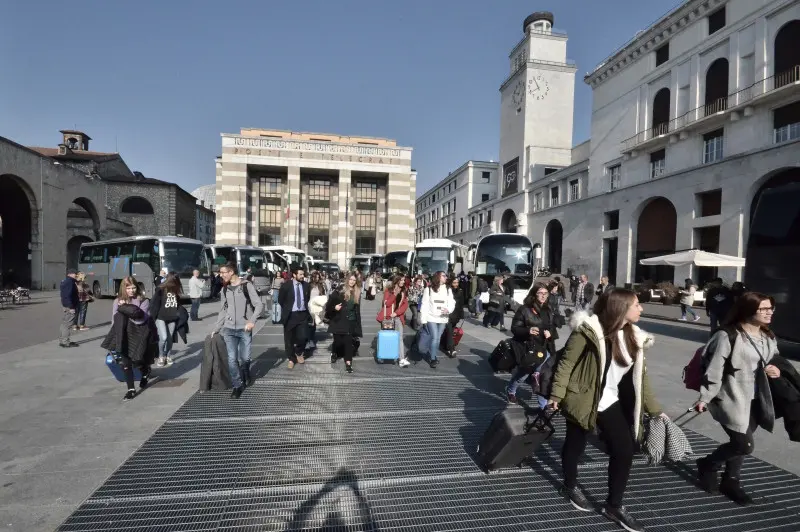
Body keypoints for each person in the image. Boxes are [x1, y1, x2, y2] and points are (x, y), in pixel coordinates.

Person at [548, 288, 665, 532]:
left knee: (624, 451)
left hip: (610, 400)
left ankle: (614, 505)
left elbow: (641, 380)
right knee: (575, 444)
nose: (641, 309)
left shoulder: (634, 336)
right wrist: (557, 395)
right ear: (620, 308)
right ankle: (570, 485)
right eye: (636, 305)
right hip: (583, 397)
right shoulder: (589, 330)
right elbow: (567, 363)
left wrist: (655, 410)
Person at [694, 292, 781, 506]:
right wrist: (705, 397)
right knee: (744, 444)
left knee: (741, 440)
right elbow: (713, 368)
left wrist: (774, 369)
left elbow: (774, 358)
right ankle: (708, 463)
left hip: (756, 398)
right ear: (748, 309)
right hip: (731, 397)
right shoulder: (728, 335)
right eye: (763, 308)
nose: (769, 312)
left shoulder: (768, 335)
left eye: (771, 308)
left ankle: (731, 480)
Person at [212, 262, 263, 398]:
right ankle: (237, 385)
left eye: (223, 273)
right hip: (229, 329)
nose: (221, 275)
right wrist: (217, 328)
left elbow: (259, 305)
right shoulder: (225, 289)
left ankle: (245, 371)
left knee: (245, 358)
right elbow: (223, 310)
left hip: (244, 328)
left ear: (231, 272)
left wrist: (252, 321)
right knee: (232, 359)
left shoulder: (246, 286)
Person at [103, 277, 156, 401]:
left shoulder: (143, 300)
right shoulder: (117, 301)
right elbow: (114, 319)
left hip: (139, 334)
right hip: (123, 334)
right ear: (124, 288)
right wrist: (115, 337)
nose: (131, 290)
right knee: (125, 364)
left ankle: (145, 371)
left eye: (133, 288)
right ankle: (131, 389)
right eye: (128, 288)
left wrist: (126, 308)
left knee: (137, 361)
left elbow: (141, 319)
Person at [507, 283, 557, 407]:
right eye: (540, 293)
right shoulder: (525, 309)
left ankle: (543, 407)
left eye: (546, 293)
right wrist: (527, 331)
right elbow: (514, 328)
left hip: (544, 348)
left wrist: (549, 334)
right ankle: (511, 390)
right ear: (534, 294)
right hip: (529, 348)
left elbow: (552, 329)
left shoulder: (549, 309)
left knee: (541, 378)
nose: (543, 296)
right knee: (522, 375)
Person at [418, 271, 455, 368]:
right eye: (443, 275)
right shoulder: (428, 289)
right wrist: (423, 320)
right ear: (438, 277)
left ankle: (432, 353)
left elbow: (452, 302)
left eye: (445, 276)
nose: (445, 277)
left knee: (437, 339)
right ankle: (433, 358)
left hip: (443, 318)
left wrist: (448, 309)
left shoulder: (448, 289)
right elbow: (424, 304)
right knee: (434, 338)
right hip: (431, 317)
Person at [327, 273, 363, 373]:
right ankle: (334, 352)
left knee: (348, 343)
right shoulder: (339, 290)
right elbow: (329, 305)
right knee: (338, 342)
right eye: (350, 279)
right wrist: (334, 308)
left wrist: (357, 323)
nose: (352, 282)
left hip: (350, 321)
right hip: (338, 320)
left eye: (354, 280)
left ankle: (348, 363)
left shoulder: (357, 292)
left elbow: (357, 310)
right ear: (347, 280)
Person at [278, 264, 311, 369]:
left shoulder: (306, 285)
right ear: (294, 274)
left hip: (302, 314)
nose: (302, 276)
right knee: (289, 339)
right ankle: (291, 359)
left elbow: (307, 298)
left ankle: (299, 352)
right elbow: (281, 300)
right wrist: (288, 309)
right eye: (300, 274)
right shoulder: (286, 285)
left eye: (303, 274)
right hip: (290, 315)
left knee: (303, 337)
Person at [150, 272, 183, 367]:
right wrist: (152, 318)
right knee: (163, 338)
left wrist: (180, 314)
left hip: (172, 318)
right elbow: (154, 304)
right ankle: (161, 356)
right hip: (161, 317)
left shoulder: (176, 290)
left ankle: (168, 356)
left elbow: (178, 304)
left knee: (169, 339)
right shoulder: (160, 289)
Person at [380, 276, 410, 367]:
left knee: (400, 337)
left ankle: (401, 359)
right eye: (401, 280)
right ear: (396, 280)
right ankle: (383, 355)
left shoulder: (404, 291)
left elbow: (405, 305)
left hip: (398, 317)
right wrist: (395, 294)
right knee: (387, 337)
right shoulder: (389, 290)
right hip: (388, 318)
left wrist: (396, 313)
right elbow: (387, 303)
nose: (403, 282)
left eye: (404, 280)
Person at [443, 275, 465, 358]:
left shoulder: (460, 291)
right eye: (454, 282)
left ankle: (446, 345)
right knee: (449, 332)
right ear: (451, 283)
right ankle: (451, 349)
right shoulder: (447, 291)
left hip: (456, 315)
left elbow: (461, 304)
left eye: (457, 282)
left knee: (450, 331)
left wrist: (462, 315)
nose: (456, 284)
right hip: (448, 314)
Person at [59, 269, 79, 348]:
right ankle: (65, 342)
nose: (76, 275)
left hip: (65, 305)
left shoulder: (65, 281)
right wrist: (71, 307)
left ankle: (62, 340)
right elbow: (68, 295)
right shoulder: (70, 282)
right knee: (67, 324)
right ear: (70, 274)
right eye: (75, 274)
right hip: (69, 306)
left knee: (64, 323)